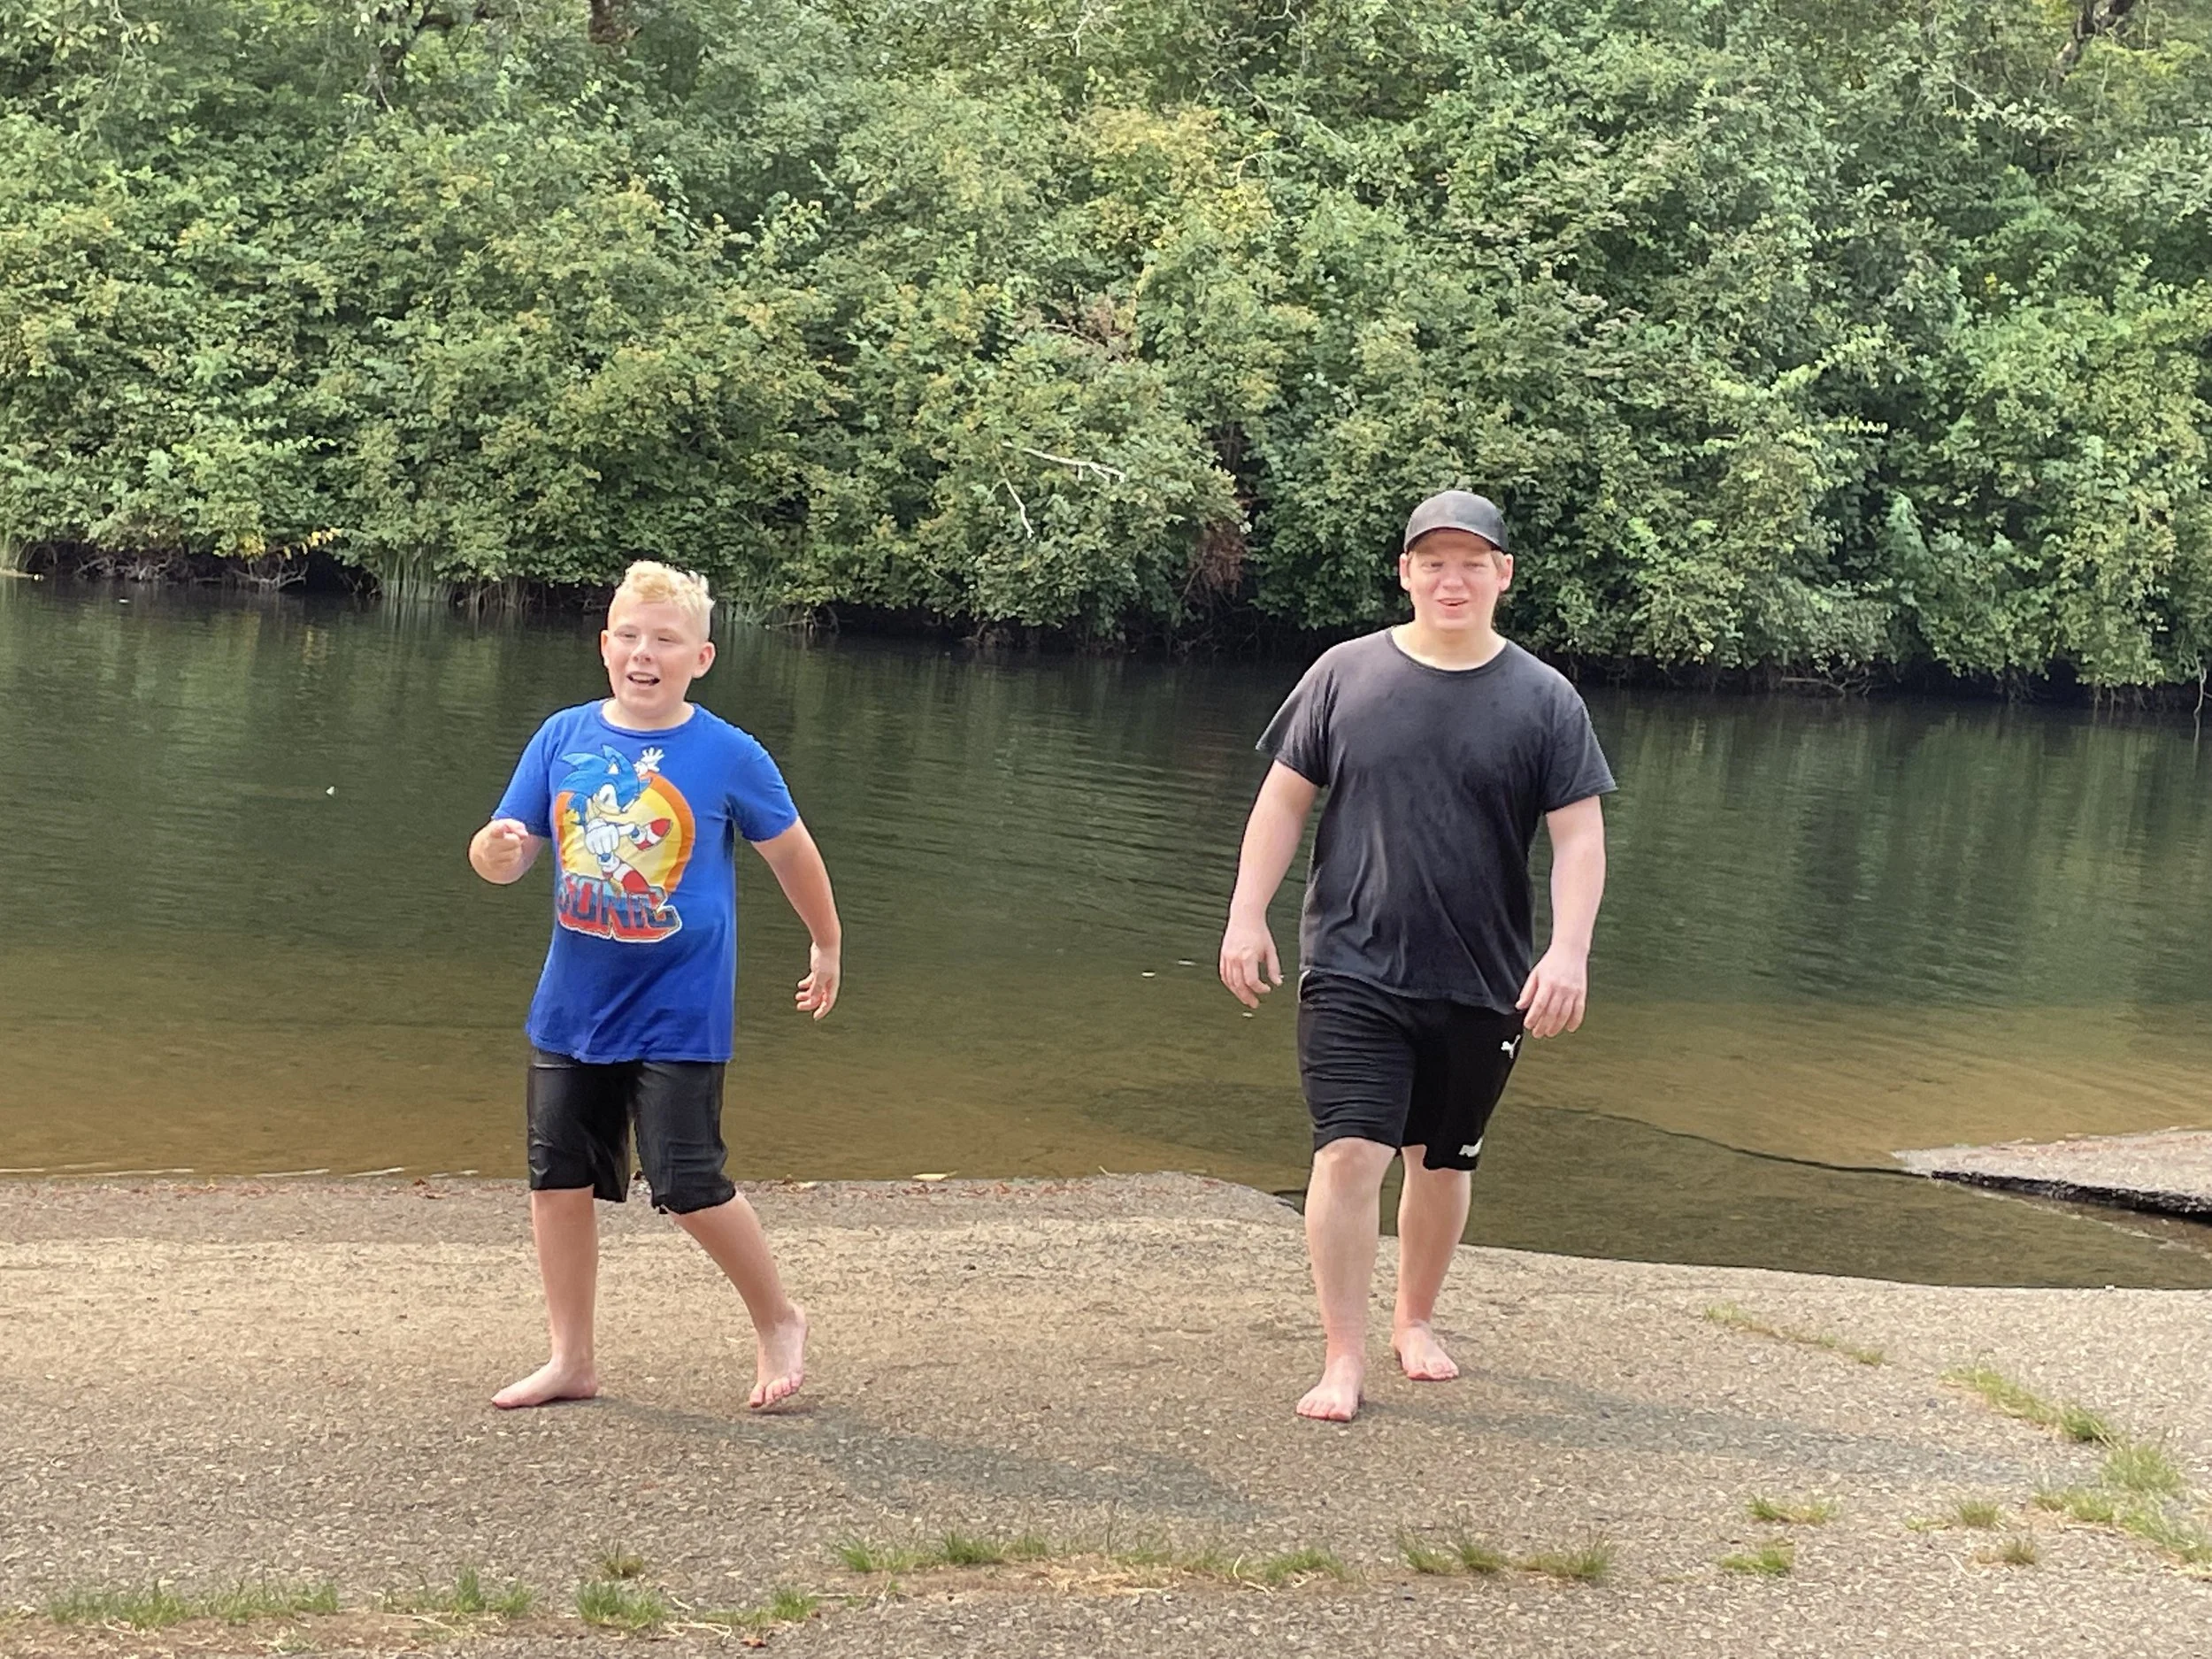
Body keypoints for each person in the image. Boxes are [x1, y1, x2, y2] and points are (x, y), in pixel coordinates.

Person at [1218, 491, 1613, 1423]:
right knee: (1350, 1153)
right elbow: (1281, 803)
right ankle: (1343, 1355)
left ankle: (1415, 1318)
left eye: (1471, 562)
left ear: (1502, 576)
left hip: (1482, 978)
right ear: (1404, 572)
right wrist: (1246, 915)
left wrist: (1568, 952)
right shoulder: (1342, 676)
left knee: (1439, 1164)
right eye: (1432, 561)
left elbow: (1580, 838)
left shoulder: (1544, 700)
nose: (1451, 578)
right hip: (1352, 963)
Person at [468, 560, 841, 1412]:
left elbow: (793, 852)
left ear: (700, 657)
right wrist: (494, 853)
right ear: (605, 645)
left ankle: (778, 1317)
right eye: (629, 636)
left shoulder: (727, 753)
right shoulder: (562, 737)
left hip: (681, 1008)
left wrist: (826, 941)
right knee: (556, 1180)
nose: (645, 653)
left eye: (665, 640)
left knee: (688, 1182)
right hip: (572, 1008)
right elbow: (513, 847)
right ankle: (572, 1359)